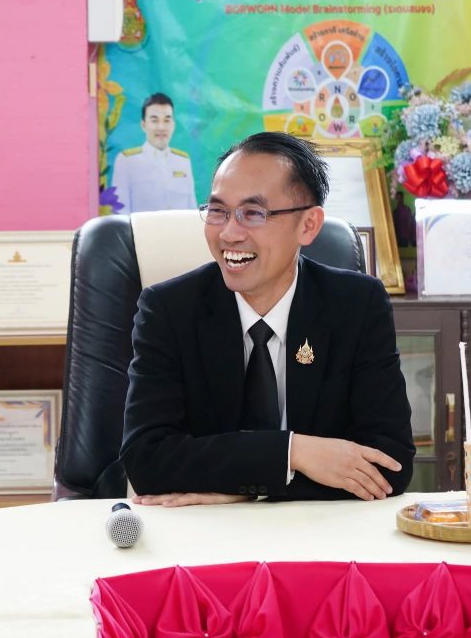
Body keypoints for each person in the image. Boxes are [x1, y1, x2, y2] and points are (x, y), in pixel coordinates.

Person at [121, 132, 415, 507]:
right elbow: (146, 460)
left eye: (253, 214)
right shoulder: (168, 310)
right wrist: (295, 453)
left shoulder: (357, 306)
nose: (229, 233)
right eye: (218, 211)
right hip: (205, 531)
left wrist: (242, 487)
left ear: (308, 225)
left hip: (320, 532)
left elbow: (389, 465)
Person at [112, 93, 197, 213]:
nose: (161, 127)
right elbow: (120, 213)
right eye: (154, 120)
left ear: (173, 125)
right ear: (143, 125)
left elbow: (192, 208)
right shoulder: (126, 161)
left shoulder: (183, 161)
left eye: (167, 120)